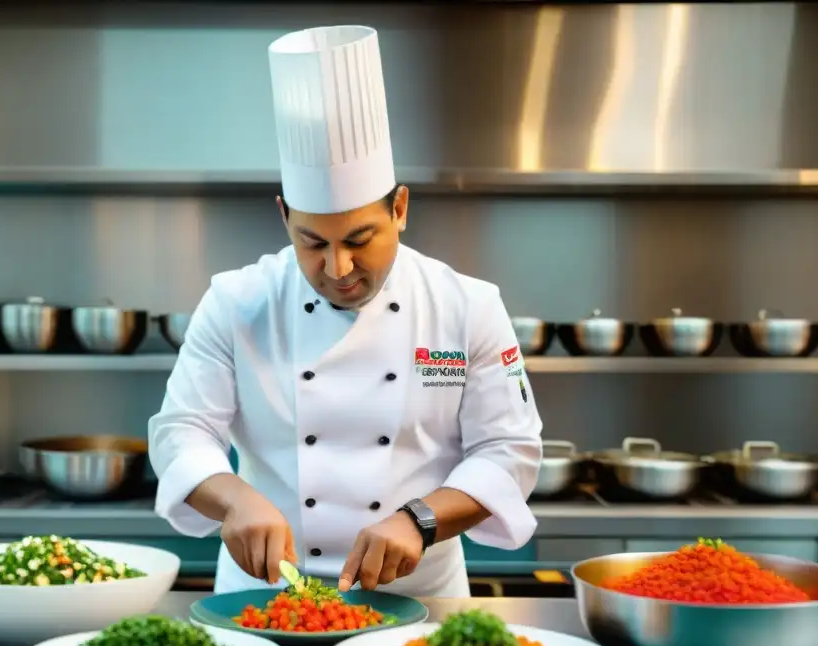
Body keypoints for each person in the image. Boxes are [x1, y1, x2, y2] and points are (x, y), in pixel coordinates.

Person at [148, 25, 543, 598]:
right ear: (283, 215)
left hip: (419, 601)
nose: (337, 268)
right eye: (312, 242)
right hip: (261, 597)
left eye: (360, 239)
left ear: (400, 208)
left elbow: (508, 451)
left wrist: (420, 520)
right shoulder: (237, 301)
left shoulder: (467, 306)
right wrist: (234, 498)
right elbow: (180, 431)